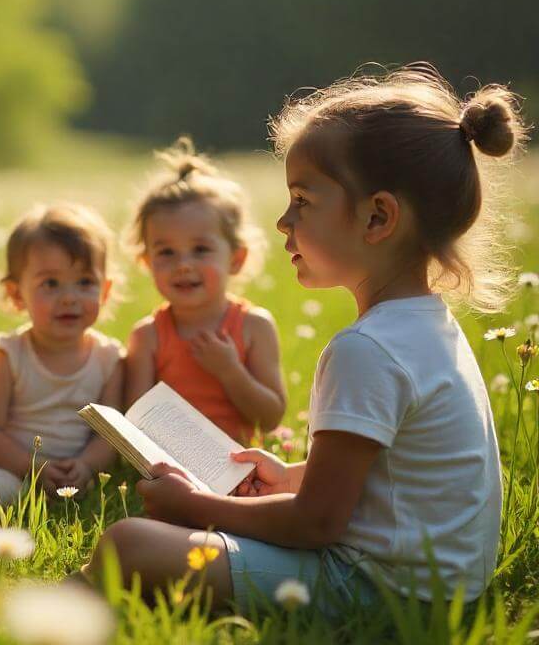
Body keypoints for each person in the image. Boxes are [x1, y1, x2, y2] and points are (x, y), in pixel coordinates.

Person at [89, 66, 525, 614]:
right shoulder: (428, 325)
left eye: (303, 200)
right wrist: (290, 475)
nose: (282, 221)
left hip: (377, 589)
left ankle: (33, 633)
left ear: (377, 217)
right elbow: (386, 478)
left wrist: (194, 504)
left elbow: (316, 523)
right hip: (439, 586)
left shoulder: (366, 350)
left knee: (129, 544)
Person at [124, 137, 285, 442]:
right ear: (147, 262)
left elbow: (270, 418)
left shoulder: (253, 326)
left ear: (236, 259)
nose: (183, 264)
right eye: (166, 252)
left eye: (200, 249)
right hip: (168, 467)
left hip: (238, 466)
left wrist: (230, 371)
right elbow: (136, 422)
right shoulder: (148, 337)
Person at [0, 204, 124, 507]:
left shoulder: (108, 359)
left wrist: (87, 466)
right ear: (16, 294)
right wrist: (33, 468)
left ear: (104, 291)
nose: (69, 297)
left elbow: (109, 435)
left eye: (85, 283)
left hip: (77, 475)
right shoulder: (9, 355)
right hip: (14, 469)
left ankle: (65, 491)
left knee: (93, 493)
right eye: (50, 284)